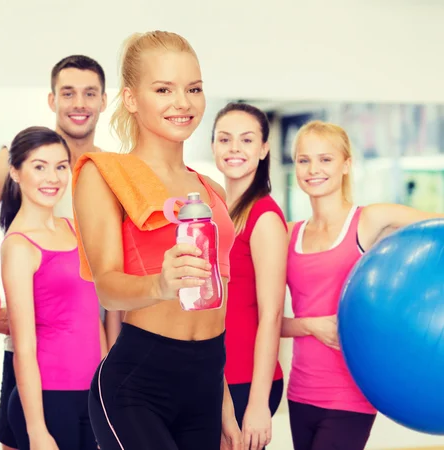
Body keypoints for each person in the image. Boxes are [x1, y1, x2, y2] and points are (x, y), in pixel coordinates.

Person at [72, 30, 242, 450]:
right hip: (139, 385)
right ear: (131, 98)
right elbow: (108, 287)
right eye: (163, 89)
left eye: (194, 89)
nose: (182, 103)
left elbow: (215, 302)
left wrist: (224, 409)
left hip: (207, 379)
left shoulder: (211, 190)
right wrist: (160, 285)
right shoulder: (105, 173)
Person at [0, 55, 116, 450]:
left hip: (88, 356)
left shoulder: (111, 172)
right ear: (52, 100)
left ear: (104, 101)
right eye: (68, 93)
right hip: (32, 358)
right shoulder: (12, 159)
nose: (79, 103)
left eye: (89, 93)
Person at [281, 120, 444, 450]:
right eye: (304, 159)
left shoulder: (370, 220)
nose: (314, 169)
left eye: (326, 159)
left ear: (346, 165)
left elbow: (436, 230)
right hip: (300, 391)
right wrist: (308, 325)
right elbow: (265, 321)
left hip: (350, 394)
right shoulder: (288, 234)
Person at [0, 126, 103, 450]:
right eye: (39, 166)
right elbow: (24, 347)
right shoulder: (19, 246)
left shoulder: (72, 228)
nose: (53, 177)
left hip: (91, 395)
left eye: (60, 166)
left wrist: (105, 390)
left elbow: (91, 319)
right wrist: (36, 430)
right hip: (49, 399)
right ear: (16, 172)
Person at [211, 102, 285, 450]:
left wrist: (258, 402)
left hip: (247, 381)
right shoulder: (216, 211)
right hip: (215, 376)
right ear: (213, 146)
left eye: (246, 140)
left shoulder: (264, 217)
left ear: (264, 148)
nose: (234, 149)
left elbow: (271, 315)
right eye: (225, 140)